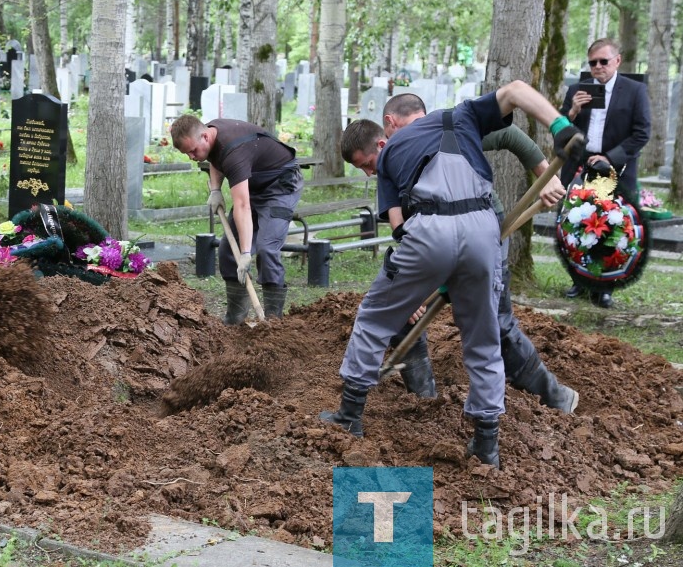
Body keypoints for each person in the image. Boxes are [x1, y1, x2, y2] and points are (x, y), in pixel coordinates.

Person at [319, 81, 583, 468]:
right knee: (484, 337)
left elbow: (399, 227)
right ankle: (486, 445)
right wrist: (560, 127)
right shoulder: (462, 116)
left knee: (374, 318)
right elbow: (514, 91)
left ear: (388, 127)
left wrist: (414, 288)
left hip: (428, 232)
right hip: (482, 231)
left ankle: (349, 416)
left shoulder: (391, 151)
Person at [169, 115, 303, 323]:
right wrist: (215, 190)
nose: (192, 157)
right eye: (187, 153)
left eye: (193, 150)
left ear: (205, 136)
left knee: (267, 248)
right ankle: (236, 318)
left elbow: (242, 206)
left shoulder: (235, 152)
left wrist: (246, 253)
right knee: (227, 251)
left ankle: (273, 321)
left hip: (281, 186)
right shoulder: (212, 134)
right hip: (254, 184)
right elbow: (215, 158)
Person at [559, 38, 651, 308]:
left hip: (615, 167)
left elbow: (642, 132)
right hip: (581, 166)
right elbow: (562, 128)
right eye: (592, 63)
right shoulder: (578, 90)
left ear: (617, 61)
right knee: (576, 223)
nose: (598, 67)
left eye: (603, 61)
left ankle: (605, 287)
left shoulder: (634, 91)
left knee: (611, 227)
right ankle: (579, 280)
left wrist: (610, 158)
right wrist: (573, 111)